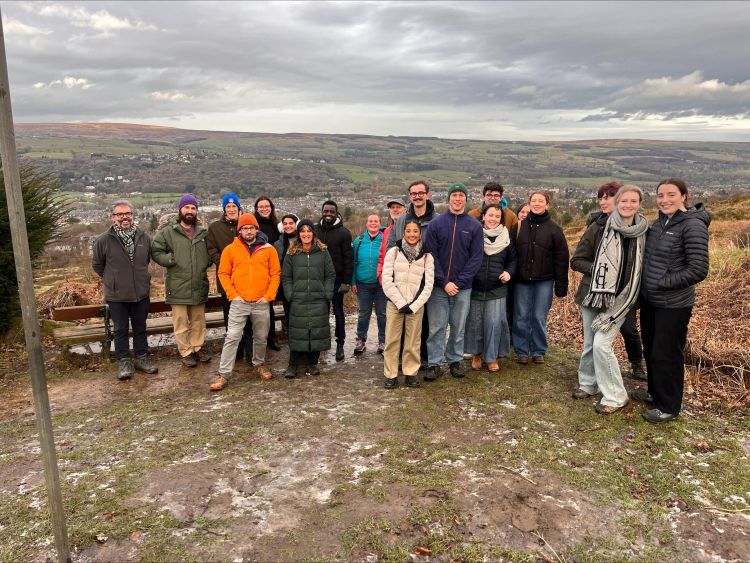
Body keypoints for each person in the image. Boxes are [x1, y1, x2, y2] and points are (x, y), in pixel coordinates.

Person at [633, 179, 710, 424]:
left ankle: (669, 405)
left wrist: (663, 282)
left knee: (668, 354)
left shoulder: (692, 225)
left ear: (684, 196)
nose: (665, 200)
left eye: (671, 195)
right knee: (652, 350)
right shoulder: (660, 223)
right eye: (660, 195)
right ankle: (655, 393)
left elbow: (698, 269)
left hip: (673, 304)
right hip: (651, 301)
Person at [571, 186, 649, 414]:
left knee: (601, 345)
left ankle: (615, 395)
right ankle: (588, 384)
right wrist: (600, 270)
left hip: (623, 300)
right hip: (593, 295)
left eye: (632, 201)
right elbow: (577, 260)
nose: (627, 205)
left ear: (640, 203)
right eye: (623, 200)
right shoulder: (598, 227)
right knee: (590, 343)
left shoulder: (645, 231)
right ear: (617, 202)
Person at [210, 213, 281, 391]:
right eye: (244, 228)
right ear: (239, 230)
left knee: (261, 336)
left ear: (256, 229)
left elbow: (275, 274)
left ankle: (259, 363)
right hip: (239, 301)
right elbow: (223, 273)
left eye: (251, 228)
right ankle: (223, 374)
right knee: (232, 336)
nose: (248, 231)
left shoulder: (268, 249)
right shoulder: (230, 250)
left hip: (261, 301)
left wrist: (268, 295)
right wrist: (232, 294)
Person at [423, 183, 483, 380]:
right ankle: (434, 363)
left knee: (458, 326)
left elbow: (476, 258)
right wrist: (444, 281)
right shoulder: (436, 224)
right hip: (439, 288)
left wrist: (459, 282)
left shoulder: (474, 226)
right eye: (454, 195)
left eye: (461, 196)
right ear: (448, 199)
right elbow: (430, 256)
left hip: (463, 288)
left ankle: (455, 360)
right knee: (437, 327)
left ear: (466, 199)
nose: (458, 199)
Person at [92, 199, 157, 380]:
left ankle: (141, 358)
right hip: (117, 295)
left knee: (140, 327)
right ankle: (124, 361)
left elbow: (145, 261)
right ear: (113, 217)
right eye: (120, 214)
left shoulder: (143, 237)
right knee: (120, 329)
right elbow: (98, 265)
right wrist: (113, 279)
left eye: (127, 213)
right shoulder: (104, 240)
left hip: (140, 293)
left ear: (132, 215)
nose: (124, 217)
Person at [152, 194, 211, 368]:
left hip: (198, 283)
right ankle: (185, 352)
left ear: (196, 211)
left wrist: (205, 262)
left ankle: (197, 347)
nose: (190, 211)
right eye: (187, 207)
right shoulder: (168, 232)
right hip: (178, 284)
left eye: (193, 208)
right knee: (181, 321)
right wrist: (171, 260)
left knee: (199, 320)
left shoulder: (202, 232)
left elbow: (210, 251)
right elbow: (156, 251)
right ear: (180, 210)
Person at [386, 181, 440, 366]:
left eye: (421, 193)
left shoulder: (437, 220)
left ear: (427, 195)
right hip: (402, 280)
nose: (417, 196)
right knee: (400, 323)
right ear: (409, 196)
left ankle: (422, 359)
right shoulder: (401, 220)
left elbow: (441, 249)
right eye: (413, 193)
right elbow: (391, 248)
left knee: (423, 322)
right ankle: (401, 359)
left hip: (427, 278)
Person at [512, 191, 569, 364]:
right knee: (521, 315)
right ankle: (521, 350)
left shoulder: (555, 229)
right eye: (533, 201)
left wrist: (561, 285)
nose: (536, 203)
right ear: (529, 204)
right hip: (521, 279)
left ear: (547, 204)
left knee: (538, 315)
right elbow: (512, 253)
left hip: (544, 280)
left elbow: (562, 259)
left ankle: (538, 350)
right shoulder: (519, 226)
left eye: (540, 201)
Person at [381, 219, 434, 388]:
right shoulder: (394, 252)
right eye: (408, 231)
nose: (412, 234)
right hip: (394, 304)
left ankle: (411, 372)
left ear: (420, 234)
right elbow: (386, 280)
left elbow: (428, 285)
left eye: (415, 231)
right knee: (392, 340)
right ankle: (391, 374)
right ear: (404, 233)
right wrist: (399, 302)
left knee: (413, 341)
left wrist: (413, 305)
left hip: (415, 306)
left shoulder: (427, 256)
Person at [465, 204, 517, 372]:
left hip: (497, 288)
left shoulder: (507, 238)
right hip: (476, 287)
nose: (493, 219)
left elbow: (513, 260)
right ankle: (477, 354)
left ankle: (492, 357)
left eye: (497, 216)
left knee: (494, 323)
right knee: (475, 322)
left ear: (500, 218)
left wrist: (509, 272)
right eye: (490, 215)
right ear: (483, 216)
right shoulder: (475, 235)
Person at [282, 220, 336, 378]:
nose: (306, 234)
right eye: (302, 231)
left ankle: (312, 363)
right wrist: (290, 294)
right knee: (298, 331)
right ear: (299, 234)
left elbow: (330, 274)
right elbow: (286, 276)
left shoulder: (322, 251)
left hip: (318, 298)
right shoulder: (292, 253)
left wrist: (327, 293)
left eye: (309, 231)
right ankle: (293, 365)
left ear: (313, 233)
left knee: (316, 331)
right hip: (298, 299)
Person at [207, 193, 253, 360]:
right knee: (231, 318)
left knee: (248, 318)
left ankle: (250, 350)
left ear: (238, 208)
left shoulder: (246, 224)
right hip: (226, 280)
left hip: (248, 280)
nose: (232, 209)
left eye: (234, 206)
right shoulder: (214, 228)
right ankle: (236, 350)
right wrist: (227, 262)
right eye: (228, 207)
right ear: (224, 209)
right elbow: (211, 251)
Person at [314, 200, 353, 361]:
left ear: (337, 214)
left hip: (337, 281)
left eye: (332, 212)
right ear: (322, 212)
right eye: (326, 211)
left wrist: (346, 281)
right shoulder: (315, 230)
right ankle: (321, 344)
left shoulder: (344, 232)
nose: (328, 214)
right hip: (319, 280)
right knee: (320, 314)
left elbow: (349, 258)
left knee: (338, 313)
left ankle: (340, 344)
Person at [352, 214, 387, 354]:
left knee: (382, 314)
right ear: (366, 224)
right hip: (363, 284)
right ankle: (361, 339)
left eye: (376, 221)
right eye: (370, 221)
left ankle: (383, 341)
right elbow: (354, 262)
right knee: (363, 313)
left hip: (381, 285)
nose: (373, 223)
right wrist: (353, 281)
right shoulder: (358, 241)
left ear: (380, 223)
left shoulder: (385, 239)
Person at [254, 196, 281, 351]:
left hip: (275, 270)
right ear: (256, 209)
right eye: (261, 206)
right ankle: (262, 338)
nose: (264, 209)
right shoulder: (254, 226)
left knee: (270, 307)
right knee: (264, 307)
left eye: (267, 206)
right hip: (260, 272)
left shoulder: (277, 225)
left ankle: (272, 337)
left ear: (271, 208)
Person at [273, 213, 299, 331]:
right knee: (288, 314)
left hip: (301, 283)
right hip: (286, 285)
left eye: (291, 223)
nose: (288, 226)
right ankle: (292, 341)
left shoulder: (303, 240)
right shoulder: (278, 245)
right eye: (285, 224)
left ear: (296, 225)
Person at [377, 198, 407, 283]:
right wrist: (380, 273)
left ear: (405, 209)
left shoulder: (410, 228)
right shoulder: (387, 230)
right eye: (392, 207)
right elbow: (382, 254)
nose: (395, 210)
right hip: (389, 277)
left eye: (398, 207)